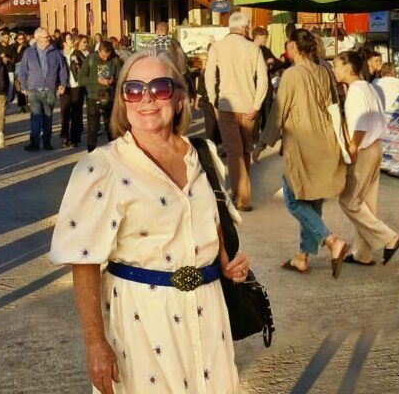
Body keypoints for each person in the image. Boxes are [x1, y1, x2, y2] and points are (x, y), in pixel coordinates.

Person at [49, 50, 250, 394]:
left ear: (180, 97)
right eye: (133, 89)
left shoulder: (202, 154)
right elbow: (84, 261)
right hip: (142, 318)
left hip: (208, 309)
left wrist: (227, 263)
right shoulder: (103, 167)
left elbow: (211, 223)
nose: (146, 99)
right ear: (122, 102)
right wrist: (95, 344)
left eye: (158, 88)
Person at [255, 30, 349, 277]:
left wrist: (262, 143)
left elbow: (279, 111)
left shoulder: (292, 74)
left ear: (295, 48)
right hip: (326, 140)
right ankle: (302, 257)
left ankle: (331, 241)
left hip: (303, 142)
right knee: (312, 199)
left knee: (294, 198)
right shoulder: (324, 70)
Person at [333, 50, 399, 267]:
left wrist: (353, 148)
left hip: (364, 149)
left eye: (336, 65)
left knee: (349, 201)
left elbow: (361, 124)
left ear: (347, 68)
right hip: (376, 147)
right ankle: (362, 254)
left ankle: (389, 237)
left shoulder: (355, 91)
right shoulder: (368, 87)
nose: (334, 69)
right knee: (366, 202)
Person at [204, 12, 268, 212]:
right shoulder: (253, 48)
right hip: (248, 106)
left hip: (226, 106)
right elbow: (263, 80)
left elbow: (209, 76)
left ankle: (241, 196)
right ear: (245, 28)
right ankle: (242, 195)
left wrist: (213, 99)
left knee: (234, 151)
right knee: (245, 150)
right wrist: (257, 106)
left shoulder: (217, 47)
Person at [16, 27, 68, 151]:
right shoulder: (29, 52)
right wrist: (23, 86)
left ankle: (47, 142)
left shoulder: (55, 52)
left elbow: (63, 69)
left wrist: (63, 84)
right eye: (46, 37)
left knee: (48, 117)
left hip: (50, 89)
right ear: (38, 38)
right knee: (35, 116)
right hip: (34, 89)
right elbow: (22, 71)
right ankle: (34, 142)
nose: (49, 38)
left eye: (49, 36)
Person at [79, 41, 122, 152]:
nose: (105, 59)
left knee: (111, 129)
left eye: (107, 57)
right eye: (103, 56)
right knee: (92, 129)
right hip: (93, 98)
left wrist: (114, 81)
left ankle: (113, 154)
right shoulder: (91, 59)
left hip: (110, 98)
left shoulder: (115, 60)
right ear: (99, 51)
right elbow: (81, 79)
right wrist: (96, 80)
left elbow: (121, 79)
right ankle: (91, 153)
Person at [60, 33, 86, 149]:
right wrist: (57, 85)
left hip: (77, 86)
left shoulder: (77, 53)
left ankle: (75, 138)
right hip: (65, 87)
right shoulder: (59, 55)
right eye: (69, 39)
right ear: (64, 43)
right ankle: (65, 137)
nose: (72, 41)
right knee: (65, 113)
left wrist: (78, 62)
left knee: (76, 113)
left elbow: (86, 67)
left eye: (72, 38)